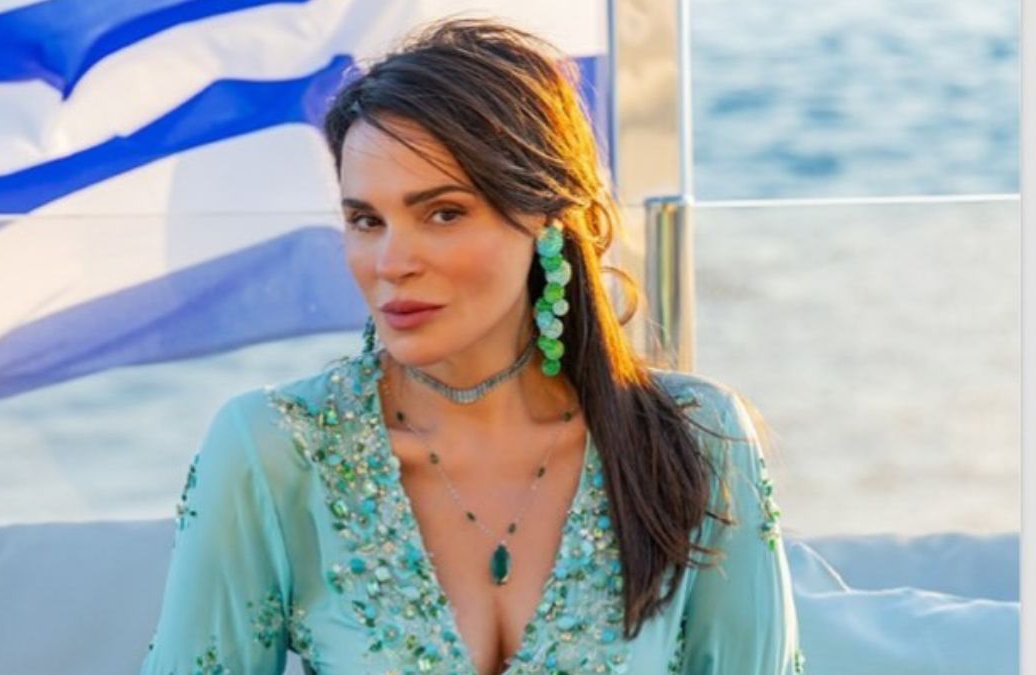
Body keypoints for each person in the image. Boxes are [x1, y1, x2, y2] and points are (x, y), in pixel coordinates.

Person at [139, 17, 803, 675]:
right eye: (366, 220)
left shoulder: (694, 441)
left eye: (443, 213)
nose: (391, 262)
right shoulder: (276, 450)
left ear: (546, 218)